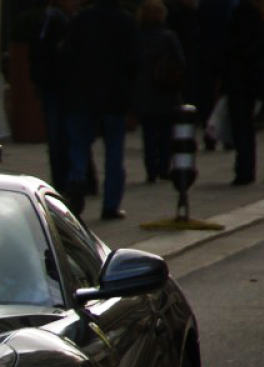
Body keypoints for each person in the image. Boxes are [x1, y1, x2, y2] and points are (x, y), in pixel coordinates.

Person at [60, 0, 137, 219]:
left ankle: (76, 180)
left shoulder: (82, 19)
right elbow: (134, 60)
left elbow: (68, 54)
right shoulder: (126, 21)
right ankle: (110, 204)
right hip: (114, 96)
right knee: (114, 151)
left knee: (79, 144)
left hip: (82, 92)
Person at [133, 0, 185, 184]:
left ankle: (151, 169)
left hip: (144, 93)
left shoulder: (137, 37)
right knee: (165, 133)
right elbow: (180, 62)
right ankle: (164, 167)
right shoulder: (168, 37)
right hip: (166, 91)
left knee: (148, 133)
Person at [28, 0, 76, 191]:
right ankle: (66, 180)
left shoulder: (59, 20)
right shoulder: (52, 21)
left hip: (58, 86)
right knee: (61, 136)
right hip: (58, 86)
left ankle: (68, 179)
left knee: (63, 136)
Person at [225, 0, 264, 184]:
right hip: (254, 79)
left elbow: (234, 47)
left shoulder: (242, 13)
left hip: (239, 77)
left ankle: (243, 168)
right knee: (248, 126)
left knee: (240, 125)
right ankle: (248, 166)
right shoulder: (262, 15)